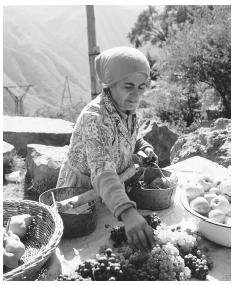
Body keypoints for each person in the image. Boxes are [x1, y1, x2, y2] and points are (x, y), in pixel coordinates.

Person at [57, 46, 158, 252]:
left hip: (113, 191)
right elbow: (102, 170)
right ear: (110, 85)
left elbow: (130, 135)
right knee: (85, 247)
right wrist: (127, 212)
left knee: (110, 239)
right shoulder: (94, 118)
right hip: (84, 193)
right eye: (128, 86)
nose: (136, 95)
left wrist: (142, 146)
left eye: (142, 87)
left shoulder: (126, 107)